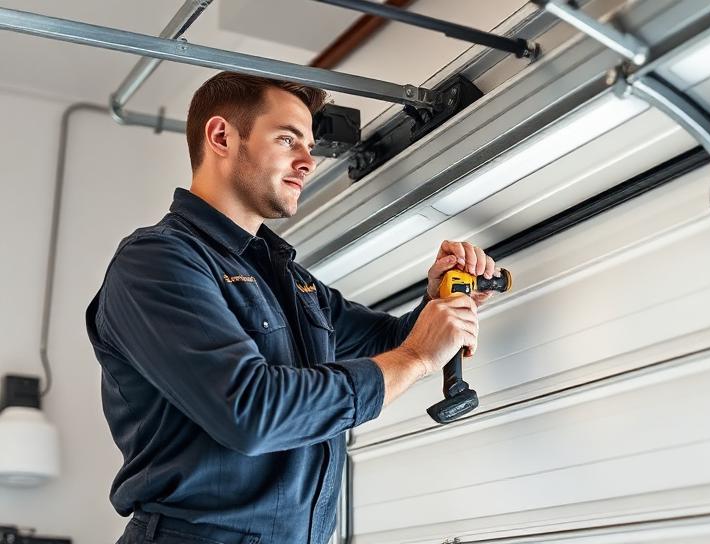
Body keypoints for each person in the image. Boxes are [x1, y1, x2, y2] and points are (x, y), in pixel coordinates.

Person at [86, 71, 500, 544]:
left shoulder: (290, 279)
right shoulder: (157, 262)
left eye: (309, 145)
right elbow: (250, 411)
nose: (309, 161)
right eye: (288, 140)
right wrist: (418, 359)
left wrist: (439, 298)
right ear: (222, 136)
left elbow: (391, 343)